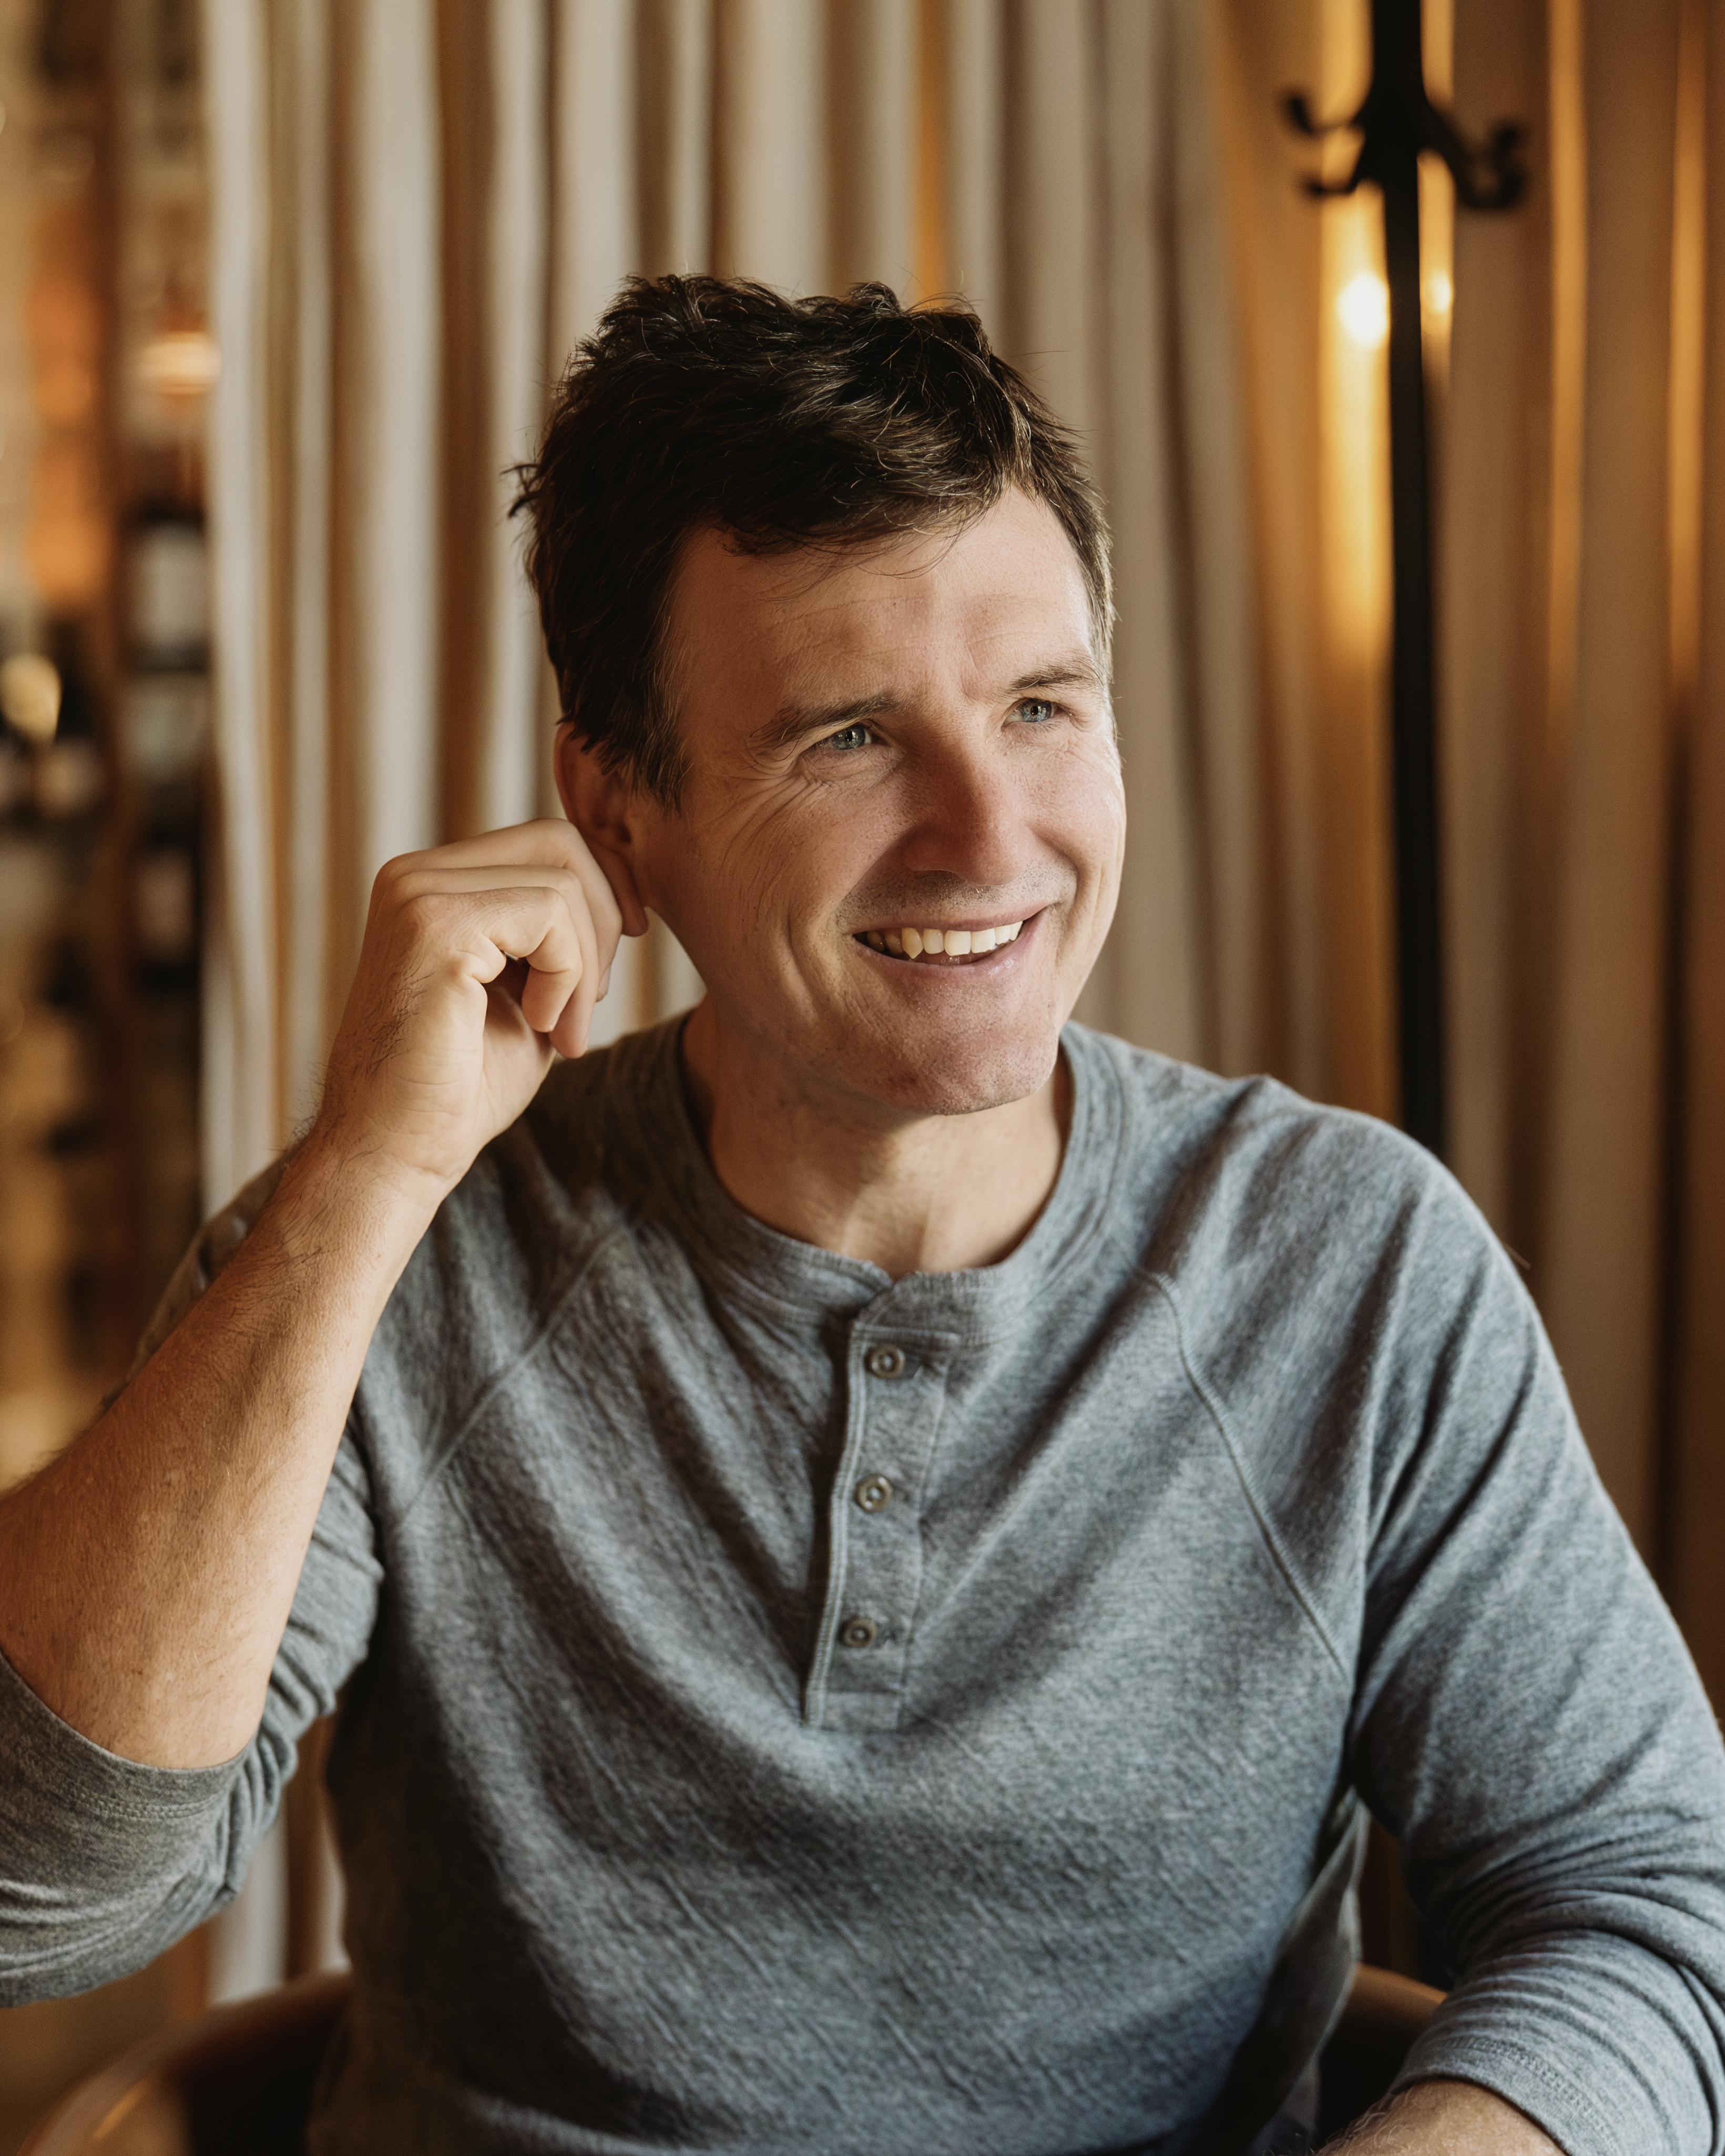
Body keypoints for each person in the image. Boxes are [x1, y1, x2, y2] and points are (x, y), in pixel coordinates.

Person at [1, 278, 1721, 2156]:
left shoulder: (1348, 1266)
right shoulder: (397, 1252)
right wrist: (363, 1182)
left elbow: (1648, 1908)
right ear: (618, 812)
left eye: (1040, 706)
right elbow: (40, 1892)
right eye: (846, 738)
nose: (989, 838)